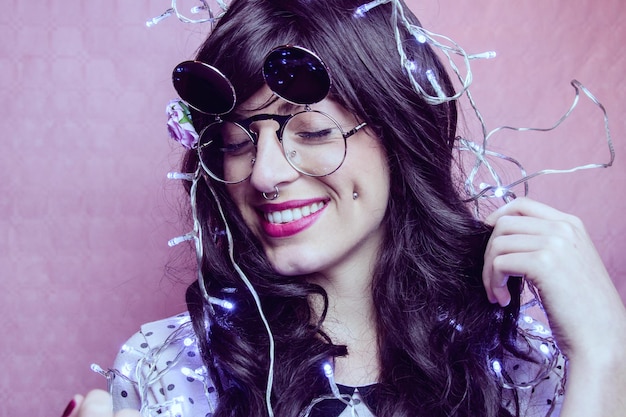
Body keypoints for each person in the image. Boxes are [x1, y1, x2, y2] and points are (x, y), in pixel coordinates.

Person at [63, 0, 626, 416]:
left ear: (399, 135)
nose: (264, 173)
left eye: (311, 132)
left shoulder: (528, 372)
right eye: (236, 140)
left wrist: (604, 354)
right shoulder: (161, 373)